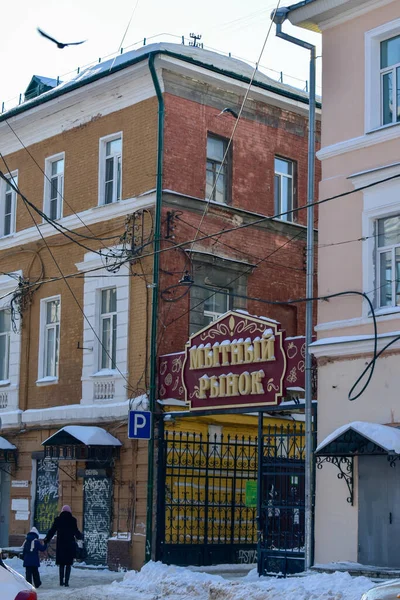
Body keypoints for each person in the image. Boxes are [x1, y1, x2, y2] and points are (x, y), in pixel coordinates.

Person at [44, 505, 82, 587]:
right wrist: (80, 537)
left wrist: (47, 539)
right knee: (68, 564)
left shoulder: (58, 520)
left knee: (61, 564)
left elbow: (52, 530)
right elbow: (76, 531)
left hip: (61, 545)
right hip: (69, 544)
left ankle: (61, 581)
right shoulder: (72, 520)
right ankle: (66, 582)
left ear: (62, 511)